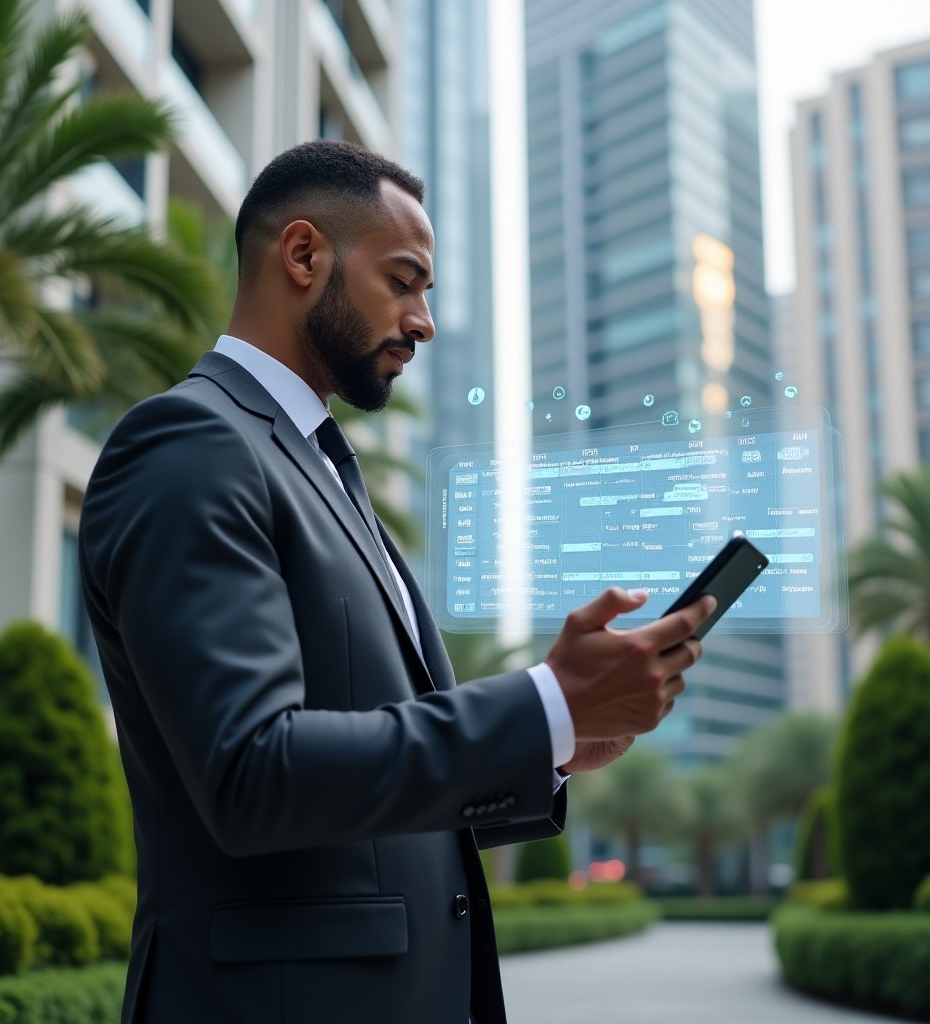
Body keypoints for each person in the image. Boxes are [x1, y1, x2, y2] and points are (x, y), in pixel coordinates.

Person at [78, 139, 713, 1024]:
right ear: (303, 255)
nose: (423, 320)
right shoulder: (189, 444)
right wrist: (540, 705)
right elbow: (253, 775)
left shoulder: (319, 467)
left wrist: (550, 746)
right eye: (404, 281)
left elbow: (362, 817)